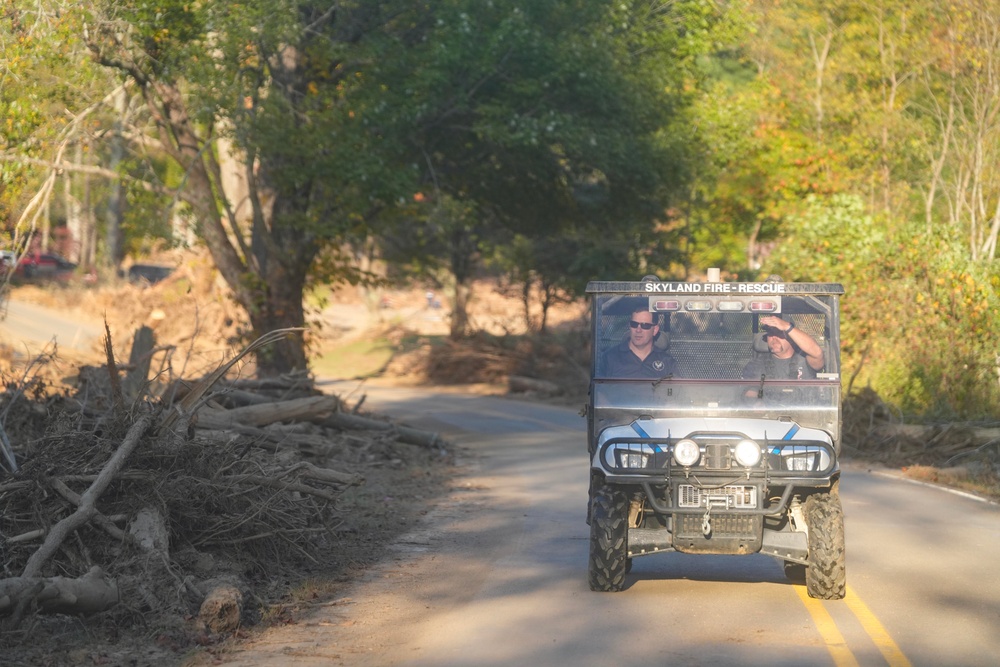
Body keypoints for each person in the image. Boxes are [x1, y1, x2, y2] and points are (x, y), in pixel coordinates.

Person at [743, 315, 824, 381]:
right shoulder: (757, 364)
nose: (773, 337)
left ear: (792, 337)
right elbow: (749, 392)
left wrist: (787, 327)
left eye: (778, 333)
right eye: (770, 333)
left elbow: (817, 353)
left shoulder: (806, 360)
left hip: (804, 401)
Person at [602, 308, 677, 378]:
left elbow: (677, 390)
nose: (638, 330)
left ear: (655, 330)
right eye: (634, 324)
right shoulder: (610, 357)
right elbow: (599, 390)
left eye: (645, 325)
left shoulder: (667, 361)